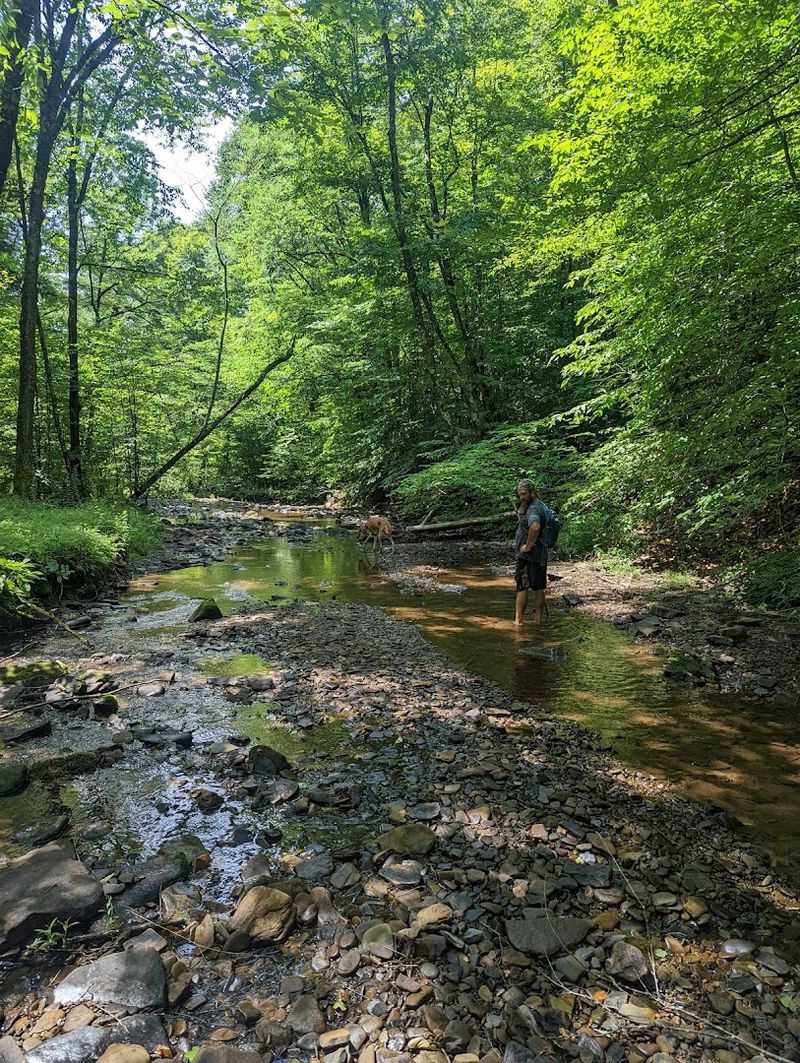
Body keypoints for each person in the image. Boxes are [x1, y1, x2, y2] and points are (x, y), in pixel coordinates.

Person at [514, 478, 548, 626]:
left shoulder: (533, 509)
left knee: (522, 586)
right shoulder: (540, 505)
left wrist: (527, 546)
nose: (521, 497)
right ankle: (537, 623)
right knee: (539, 586)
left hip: (528, 555)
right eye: (519, 494)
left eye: (524, 494)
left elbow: (535, 527)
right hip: (541, 552)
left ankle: (518, 622)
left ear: (532, 492)